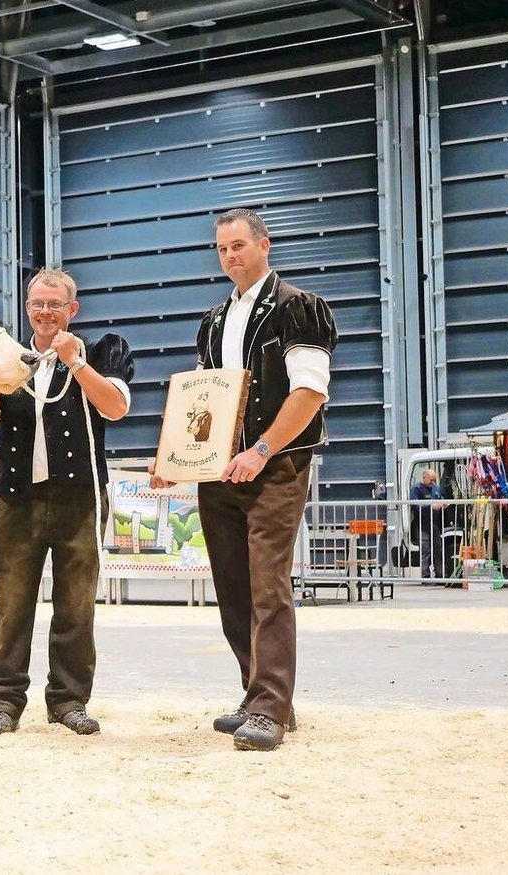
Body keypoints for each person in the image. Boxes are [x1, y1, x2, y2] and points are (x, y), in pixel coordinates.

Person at [150, 208, 338, 752]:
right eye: (222, 248)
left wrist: (260, 450)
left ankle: (270, 709)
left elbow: (309, 394)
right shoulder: (212, 321)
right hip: (217, 472)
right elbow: (202, 404)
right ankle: (259, 695)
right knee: (233, 588)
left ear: (264, 245)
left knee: (267, 585)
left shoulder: (298, 308)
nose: (230, 255)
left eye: (239, 245)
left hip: (275, 467)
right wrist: (174, 461)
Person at [0, 267, 134, 737]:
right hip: (18, 498)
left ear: (71, 310)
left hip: (80, 497)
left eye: (55, 304)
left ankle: (68, 700)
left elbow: (116, 407)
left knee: (76, 605)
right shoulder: (8, 359)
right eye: (37, 304)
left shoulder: (103, 351)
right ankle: (2, 700)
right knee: (11, 604)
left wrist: (77, 364)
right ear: (27, 308)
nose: (45, 312)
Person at [410, 468, 447, 580]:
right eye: (430, 480)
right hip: (422, 524)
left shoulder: (435, 488)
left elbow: (440, 498)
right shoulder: (416, 489)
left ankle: (440, 575)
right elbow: (414, 504)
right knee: (425, 551)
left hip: (435, 524)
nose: (432, 482)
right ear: (424, 477)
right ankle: (425, 576)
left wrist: (443, 503)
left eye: (434, 480)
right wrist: (430, 505)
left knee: (438, 549)